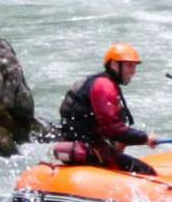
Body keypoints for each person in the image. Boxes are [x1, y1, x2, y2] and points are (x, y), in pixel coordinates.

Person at [60, 44, 152, 173]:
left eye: (135, 66)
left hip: (85, 145)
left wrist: (127, 142)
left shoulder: (104, 83)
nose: (133, 71)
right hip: (87, 149)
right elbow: (112, 129)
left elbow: (110, 129)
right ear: (114, 64)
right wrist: (145, 138)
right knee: (147, 172)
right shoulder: (104, 86)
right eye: (129, 65)